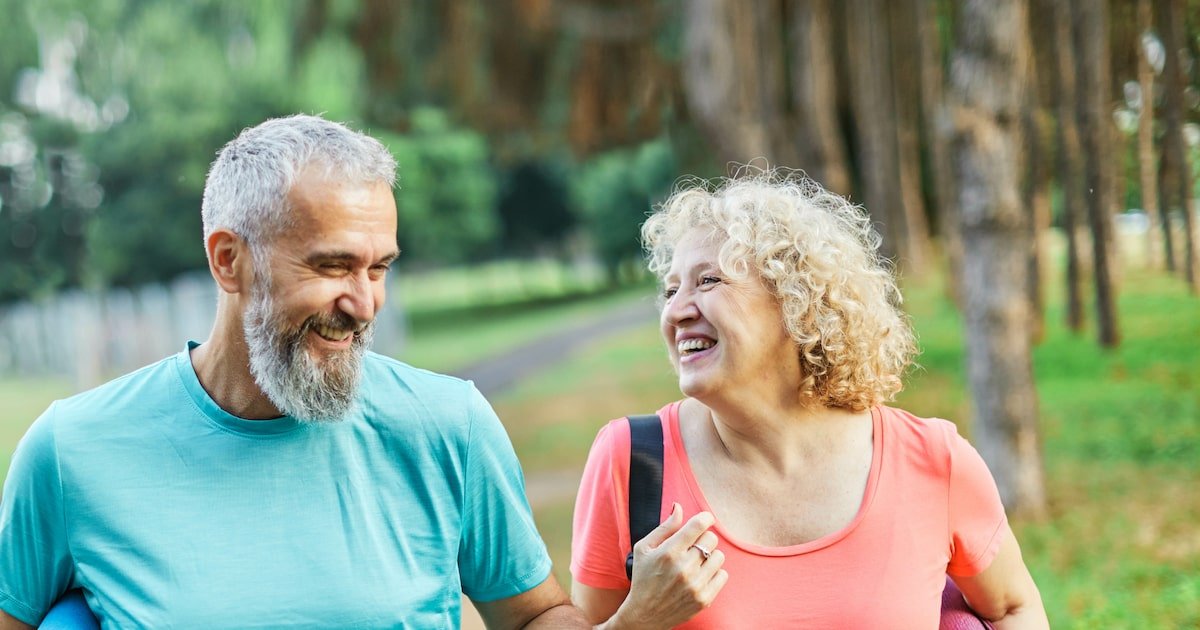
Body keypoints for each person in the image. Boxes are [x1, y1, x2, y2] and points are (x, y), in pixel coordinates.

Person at [0, 115, 590, 629]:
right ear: (229, 261)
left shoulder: (449, 426)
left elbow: (535, 614)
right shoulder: (70, 451)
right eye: (333, 266)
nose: (363, 304)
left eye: (379, 268)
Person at [570, 171, 1049, 628]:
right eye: (671, 290)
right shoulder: (632, 463)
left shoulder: (933, 461)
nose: (674, 311)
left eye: (708, 281)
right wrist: (635, 622)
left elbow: (1013, 609)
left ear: (795, 301)